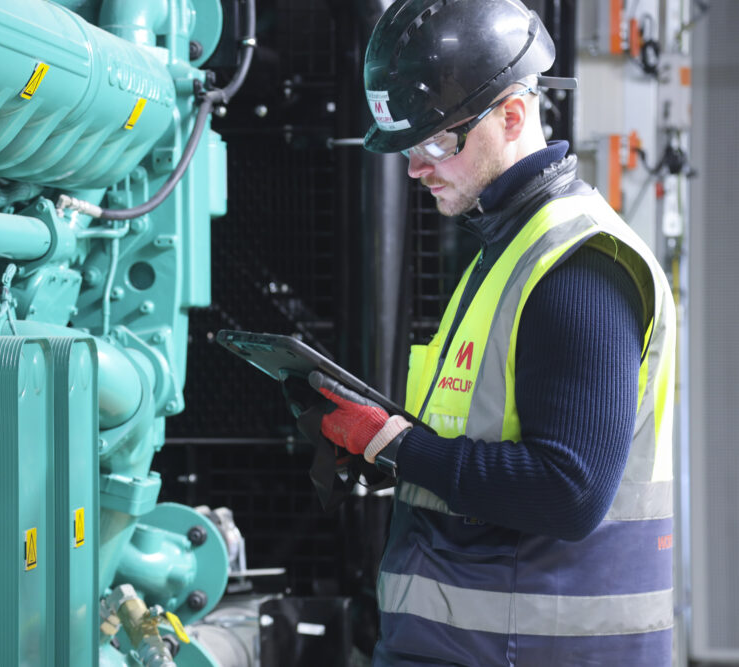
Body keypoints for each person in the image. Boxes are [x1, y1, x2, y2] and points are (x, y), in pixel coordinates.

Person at [296, 1, 677, 665]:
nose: (416, 167)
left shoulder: (577, 268)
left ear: (512, 114)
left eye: (437, 142)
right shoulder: (506, 250)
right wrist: (382, 443)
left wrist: (398, 446)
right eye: (411, 146)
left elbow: (569, 489)